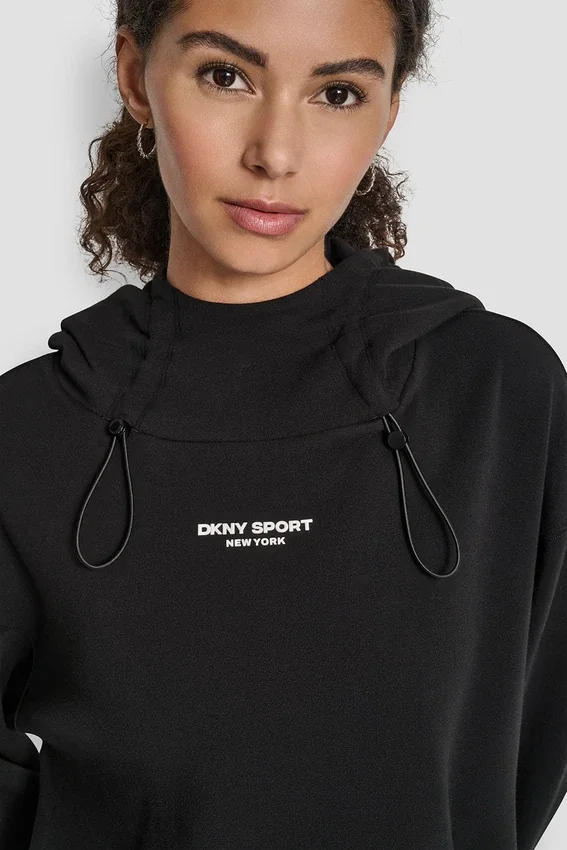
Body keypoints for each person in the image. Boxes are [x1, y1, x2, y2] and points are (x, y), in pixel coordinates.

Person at [1, 1, 566, 848]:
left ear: (388, 112)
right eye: (225, 76)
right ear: (135, 78)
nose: (275, 154)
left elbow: (528, 741)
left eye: (336, 94)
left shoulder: (498, 392)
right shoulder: (29, 432)